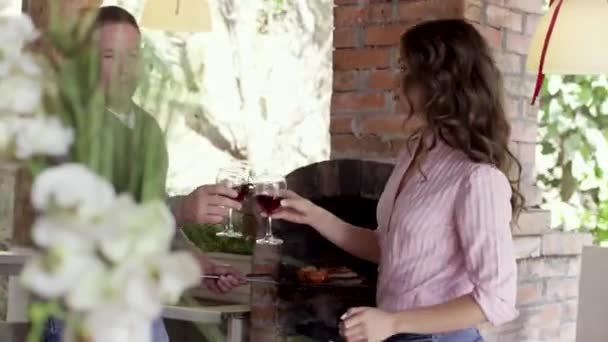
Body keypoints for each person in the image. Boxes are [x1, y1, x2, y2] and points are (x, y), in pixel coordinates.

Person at [271, 19, 523, 342]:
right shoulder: (417, 151)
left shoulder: (478, 179)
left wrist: (392, 322)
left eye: (407, 70)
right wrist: (314, 215)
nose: (396, 83)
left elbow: (496, 300)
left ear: (441, 81)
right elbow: (387, 248)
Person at [43, 6, 244, 342]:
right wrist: (180, 209)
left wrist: (196, 264)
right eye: (110, 56)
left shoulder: (148, 130)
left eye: (132, 55)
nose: (125, 69)